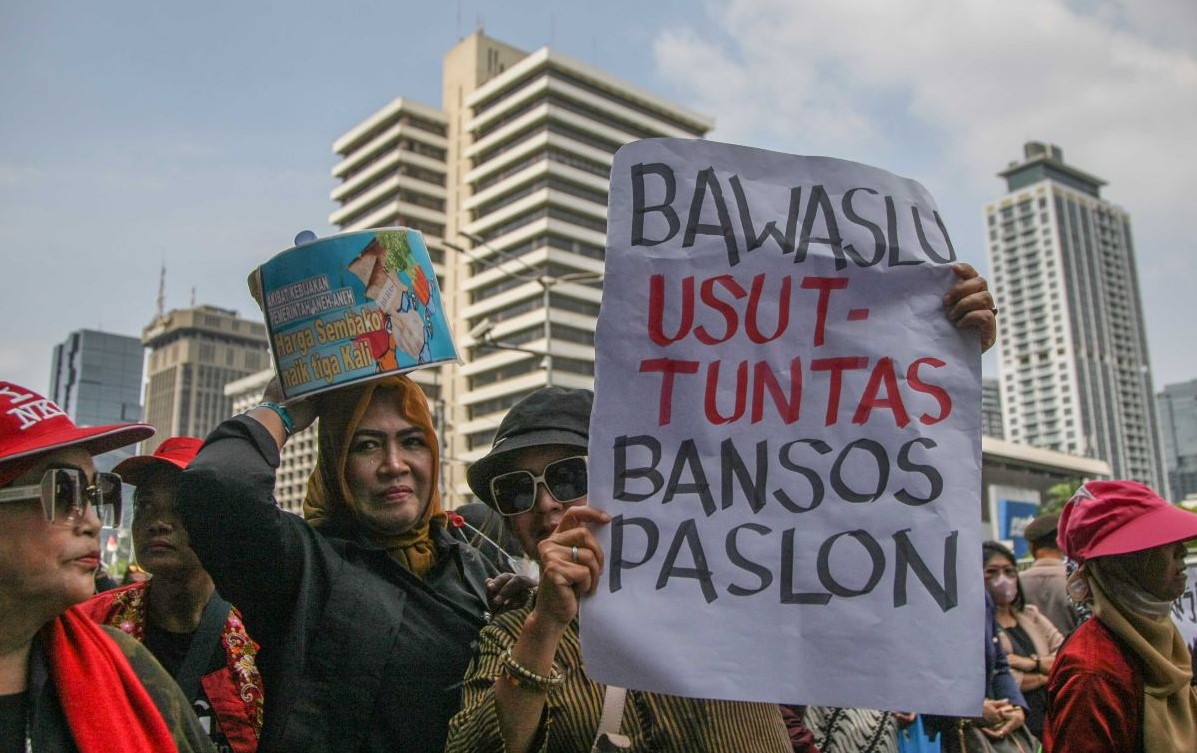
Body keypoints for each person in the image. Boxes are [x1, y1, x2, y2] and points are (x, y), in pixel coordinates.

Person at [446, 386, 794, 752]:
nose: (546, 503)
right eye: (516, 490)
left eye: (568, 477)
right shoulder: (512, 634)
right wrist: (544, 627)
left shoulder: (724, 580)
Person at [178, 375, 500, 752]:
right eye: (366, 446)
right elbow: (218, 486)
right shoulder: (304, 568)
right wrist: (279, 410)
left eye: (413, 441)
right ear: (336, 462)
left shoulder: (471, 567)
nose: (394, 465)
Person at [0, 381, 213, 752]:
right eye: (64, 492)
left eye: (95, 495)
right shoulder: (108, 625)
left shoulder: (130, 669)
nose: (93, 523)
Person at [79, 437, 263, 753]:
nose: (157, 523)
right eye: (145, 505)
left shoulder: (263, 633)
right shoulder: (91, 624)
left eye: (181, 507)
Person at [1043, 480, 1197, 753]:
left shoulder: (1158, 638)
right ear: (1127, 562)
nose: (1182, 551)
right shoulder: (1093, 670)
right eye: (1164, 541)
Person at [983, 540, 1063, 739]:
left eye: (1009, 572)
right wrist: (1046, 675)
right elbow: (1004, 673)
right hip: (1013, 720)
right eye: (992, 572)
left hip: (1051, 717)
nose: (1002, 579)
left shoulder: (1031, 615)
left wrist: (1030, 664)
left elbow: (1064, 657)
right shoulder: (981, 624)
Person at [1019, 513, 1081, 635]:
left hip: (1030, 654)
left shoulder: (1017, 582)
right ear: (1062, 543)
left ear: (1031, 547)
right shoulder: (1075, 581)